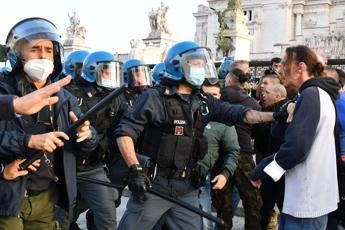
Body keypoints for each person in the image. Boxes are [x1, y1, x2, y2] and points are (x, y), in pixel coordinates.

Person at [114, 41, 278, 230]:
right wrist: (135, 169)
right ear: (178, 65)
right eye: (196, 64)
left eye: (203, 64)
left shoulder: (203, 101)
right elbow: (125, 132)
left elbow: (242, 114)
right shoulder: (153, 98)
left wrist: (276, 115)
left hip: (186, 189)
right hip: (154, 187)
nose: (201, 69)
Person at [0, 17, 98, 229]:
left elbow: (88, 144)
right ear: (17, 54)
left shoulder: (64, 97)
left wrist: (87, 135)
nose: (43, 55)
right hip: (7, 197)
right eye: (34, 49)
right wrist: (28, 142)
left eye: (48, 49)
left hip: (47, 198)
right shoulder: (4, 92)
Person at [251, 45, 340, 230]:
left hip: (306, 202)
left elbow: (296, 149)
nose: (280, 68)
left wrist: (265, 170)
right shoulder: (314, 94)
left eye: (285, 63)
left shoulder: (311, 95)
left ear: (301, 67)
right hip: (308, 198)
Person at [64, 51, 128, 230]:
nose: (111, 76)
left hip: (93, 167)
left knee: (107, 214)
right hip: (68, 165)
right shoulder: (71, 94)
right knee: (64, 218)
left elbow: (128, 120)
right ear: (93, 71)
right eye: (107, 71)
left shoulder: (115, 97)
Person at [221, 67, 263, 230]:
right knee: (252, 201)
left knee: (223, 203)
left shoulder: (219, 97)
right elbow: (258, 130)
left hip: (223, 153)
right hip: (244, 153)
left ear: (230, 81)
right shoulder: (252, 103)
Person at [198, 78, 240, 230]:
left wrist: (225, 174)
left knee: (202, 222)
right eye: (206, 94)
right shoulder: (188, 111)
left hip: (201, 179)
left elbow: (233, 150)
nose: (210, 98)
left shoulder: (224, 120)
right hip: (171, 177)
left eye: (214, 94)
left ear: (220, 96)